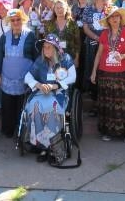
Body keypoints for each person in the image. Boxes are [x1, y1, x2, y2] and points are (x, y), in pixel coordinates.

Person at [23, 33, 77, 162]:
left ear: (55, 48)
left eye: (49, 47)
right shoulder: (40, 60)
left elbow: (72, 77)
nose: (46, 49)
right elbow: (27, 76)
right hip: (41, 92)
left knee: (52, 109)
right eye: (44, 47)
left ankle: (54, 147)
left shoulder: (65, 59)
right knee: (34, 107)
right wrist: (38, 84)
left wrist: (55, 86)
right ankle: (42, 146)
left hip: (58, 93)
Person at [90, 5, 125, 143]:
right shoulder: (104, 34)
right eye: (112, 17)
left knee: (124, 105)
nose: (114, 19)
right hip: (106, 75)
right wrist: (94, 72)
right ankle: (108, 132)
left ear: (120, 18)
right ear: (108, 20)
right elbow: (99, 54)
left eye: (117, 16)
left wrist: (122, 57)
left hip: (123, 75)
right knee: (107, 104)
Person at [0, 9, 38, 138]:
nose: (16, 22)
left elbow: (36, 57)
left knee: (22, 106)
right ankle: (8, 130)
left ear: (23, 20)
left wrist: (36, 76)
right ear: (10, 22)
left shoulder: (30, 35)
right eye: (13, 20)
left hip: (24, 80)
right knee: (7, 106)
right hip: (7, 79)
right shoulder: (5, 36)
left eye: (18, 19)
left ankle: (21, 132)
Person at [82, 0, 115, 116]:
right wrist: (97, 38)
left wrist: (105, 40)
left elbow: (115, 25)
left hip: (109, 45)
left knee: (108, 72)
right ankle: (96, 104)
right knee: (93, 72)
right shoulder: (88, 9)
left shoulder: (111, 8)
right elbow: (85, 27)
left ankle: (108, 103)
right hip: (92, 45)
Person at [44, 0, 81, 67]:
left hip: (70, 58)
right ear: (54, 10)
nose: (59, 10)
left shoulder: (73, 24)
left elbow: (77, 44)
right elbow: (46, 43)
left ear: (66, 9)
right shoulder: (48, 24)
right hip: (53, 59)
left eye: (61, 7)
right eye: (57, 8)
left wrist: (77, 59)